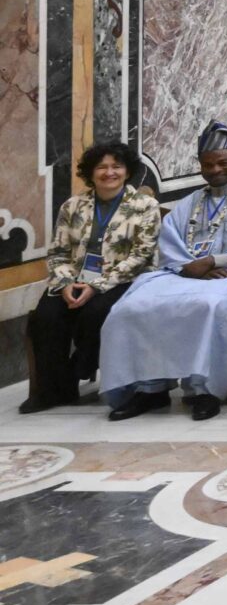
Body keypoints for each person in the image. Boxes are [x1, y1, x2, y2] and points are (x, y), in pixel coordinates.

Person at [99, 124, 227, 421]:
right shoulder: (190, 202)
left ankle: (204, 391)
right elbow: (169, 239)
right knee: (132, 307)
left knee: (210, 307)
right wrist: (189, 266)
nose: (216, 169)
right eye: (208, 164)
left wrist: (214, 261)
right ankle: (149, 389)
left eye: (223, 163)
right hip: (182, 272)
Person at [23, 143, 159, 414]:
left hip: (126, 280)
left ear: (127, 170)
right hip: (74, 279)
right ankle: (52, 391)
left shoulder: (145, 206)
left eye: (116, 166)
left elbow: (141, 256)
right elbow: (58, 252)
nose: (110, 172)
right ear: (91, 172)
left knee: (96, 312)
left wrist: (96, 286)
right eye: (102, 167)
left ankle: (79, 368)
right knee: (46, 317)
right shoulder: (73, 205)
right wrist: (65, 283)